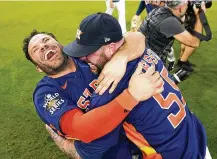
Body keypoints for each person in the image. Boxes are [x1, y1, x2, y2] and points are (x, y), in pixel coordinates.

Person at [57, 13, 210, 159]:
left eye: (89, 51)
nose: (83, 58)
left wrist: (62, 141)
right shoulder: (144, 51)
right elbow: (135, 37)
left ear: (111, 47)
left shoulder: (107, 89)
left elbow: (92, 148)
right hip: (194, 135)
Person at [22, 15, 163, 158]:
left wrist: (121, 58)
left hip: (139, 138)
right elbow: (81, 128)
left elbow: (136, 37)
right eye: (35, 49)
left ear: (60, 44)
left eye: (45, 40)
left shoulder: (84, 54)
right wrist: (132, 96)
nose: (43, 46)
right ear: (38, 68)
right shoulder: (46, 93)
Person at [139, 0, 206, 72]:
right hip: (152, 65)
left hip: (140, 57)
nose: (188, 6)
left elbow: (179, 20)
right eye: (187, 4)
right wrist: (199, 16)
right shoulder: (169, 22)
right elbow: (195, 42)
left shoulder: (156, 11)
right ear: (180, 7)